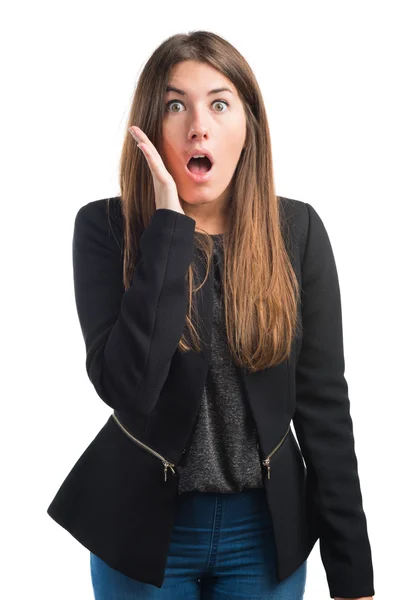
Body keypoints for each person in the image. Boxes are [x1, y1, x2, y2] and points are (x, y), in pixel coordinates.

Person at [47, 30, 375, 600]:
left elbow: (325, 408)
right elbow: (126, 385)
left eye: (219, 103)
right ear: (150, 125)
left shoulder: (295, 233)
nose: (198, 124)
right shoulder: (105, 229)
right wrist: (170, 229)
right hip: (142, 530)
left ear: (248, 126)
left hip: (264, 533)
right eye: (176, 105)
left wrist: (353, 577)